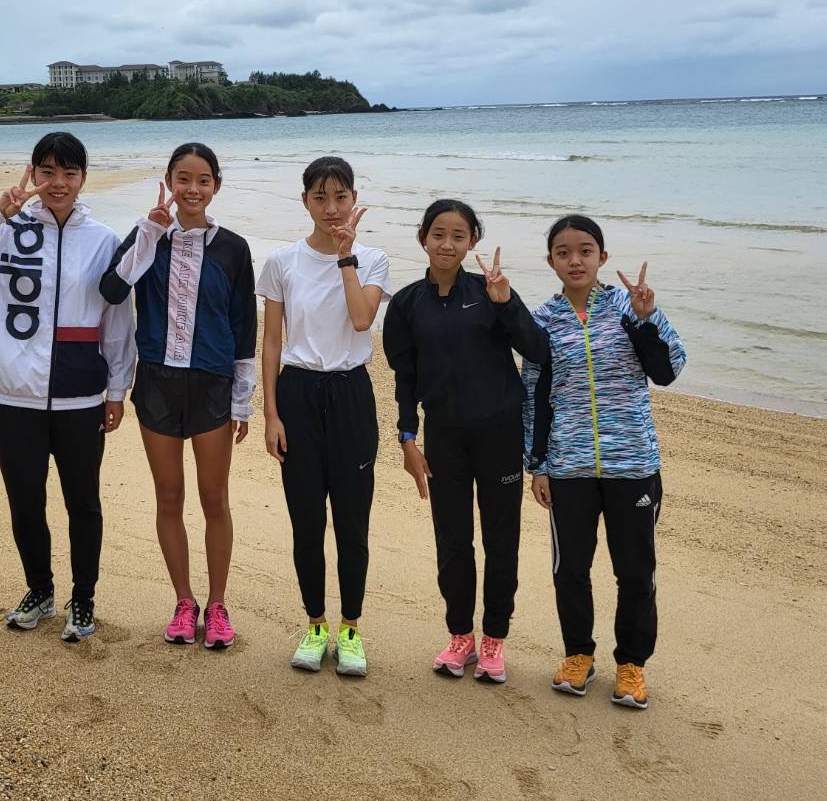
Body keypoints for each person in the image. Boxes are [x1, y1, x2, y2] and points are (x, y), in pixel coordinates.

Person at [0, 131, 135, 642]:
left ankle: (83, 598)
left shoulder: (103, 240)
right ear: (32, 173)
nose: (58, 183)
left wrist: (116, 390)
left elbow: (118, 321)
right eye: (48, 172)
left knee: (83, 503)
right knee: (25, 502)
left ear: (83, 178)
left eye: (69, 173)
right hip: (14, 399)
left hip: (81, 398)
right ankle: (39, 590)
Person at [523, 214, 686, 710]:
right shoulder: (542, 320)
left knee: (635, 570)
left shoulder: (628, 307)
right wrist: (537, 464)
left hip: (632, 463)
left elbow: (669, 369)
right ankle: (578, 655)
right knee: (570, 568)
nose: (575, 260)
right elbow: (534, 395)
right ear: (550, 261)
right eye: (564, 252)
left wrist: (646, 318)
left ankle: (632, 665)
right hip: (568, 465)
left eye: (585, 251)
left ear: (602, 257)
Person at [383, 199, 549, 683]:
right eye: (438, 234)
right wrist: (407, 437)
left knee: (501, 539)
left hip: (500, 433)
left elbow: (537, 349)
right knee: (453, 540)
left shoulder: (491, 292)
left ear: (472, 240)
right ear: (423, 237)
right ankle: (460, 635)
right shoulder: (407, 304)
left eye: (459, 235)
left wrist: (506, 303)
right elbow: (405, 378)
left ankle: (494, 638)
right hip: (444, 437)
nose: (447, 244)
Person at [100, 142, 256, 649]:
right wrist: (148, 232)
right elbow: (112, 290)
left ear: (216, 186)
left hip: (212, 384)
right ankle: (184, 602)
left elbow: (244, 326)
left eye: (203, 180)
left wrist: (242, 399)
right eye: (183, 179)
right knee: (169, 496)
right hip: (158, 385)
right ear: (168, 183)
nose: (192, 189)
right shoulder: (147, 236)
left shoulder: (233, 248)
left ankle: (218, 605)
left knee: (215, 499)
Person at [258, 156, 392, 677]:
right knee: (307, 520)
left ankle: (350, 629)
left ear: (354, 198)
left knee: (353, 521)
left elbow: (361, 319)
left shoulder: (373, 259)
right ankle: (316, 624)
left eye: (340, 197)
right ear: (305, 202)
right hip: (298, 392)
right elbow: (272, 341)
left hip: (351, 393)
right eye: (320, 198)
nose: (331, 208)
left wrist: (346, 258)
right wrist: (271, 414)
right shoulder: (282, 261)